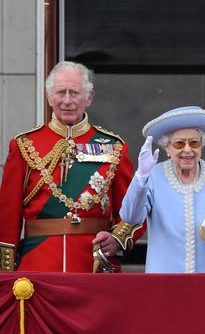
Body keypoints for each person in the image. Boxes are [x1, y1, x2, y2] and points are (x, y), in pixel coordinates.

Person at [0, 61, 142, 272]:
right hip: (37, 266)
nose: (67, 100)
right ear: (49, 97)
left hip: (93, 266)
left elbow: (133, 210)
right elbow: (7, 215)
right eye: (60, 92)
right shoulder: (24, 145)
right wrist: (6, 274)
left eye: (75, 93)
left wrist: (116, 239)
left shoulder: (114, 147)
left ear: (89, 98)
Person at [119, 106, 205, 273]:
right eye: (179, 143)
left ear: (202, 144)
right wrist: (141, 176)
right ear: (167, 147)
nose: (187, 149)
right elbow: (130, 217)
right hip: (164, 282)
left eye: (194, 142)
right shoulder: (153, 176)